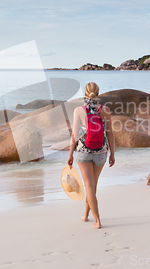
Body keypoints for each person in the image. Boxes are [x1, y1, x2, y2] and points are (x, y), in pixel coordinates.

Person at [67, 82, 115, 229]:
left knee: (89, 185)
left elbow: (74, 135)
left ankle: (97, 220)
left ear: (85, 94)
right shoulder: (105, 110)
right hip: (101, 152)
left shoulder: (78, 110)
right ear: (98, 94)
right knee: (92, 186)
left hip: (83, 152)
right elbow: (110, 133)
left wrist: (70, 155)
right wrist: (113, 153)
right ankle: (86, 215)